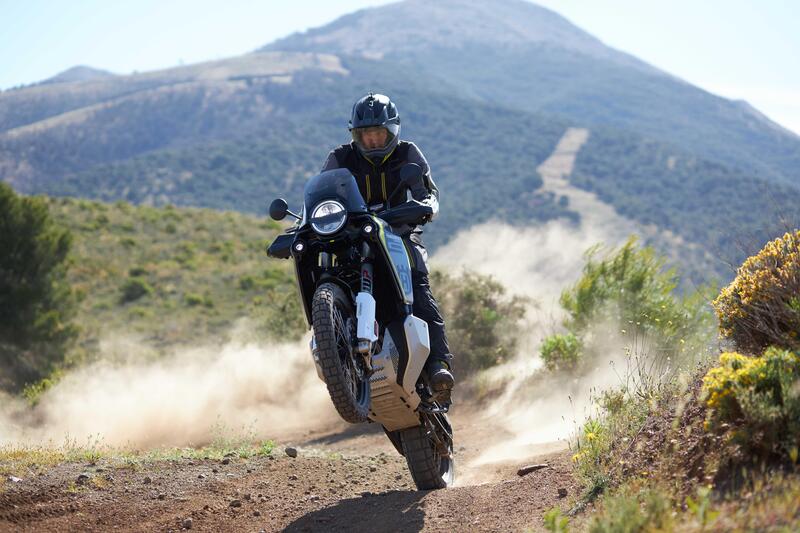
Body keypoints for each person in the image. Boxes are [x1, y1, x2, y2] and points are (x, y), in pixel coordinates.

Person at [321, 93, 455, 396]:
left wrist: (426, 205)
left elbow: (427, 192)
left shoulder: (408, 153)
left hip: (399, 233)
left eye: (378, 133)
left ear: (392, 131)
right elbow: (322, 194)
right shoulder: (340, 158)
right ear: (355, 135)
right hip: (354, 238)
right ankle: (335, 346)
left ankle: (438, 364)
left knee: (418, 283)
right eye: (365, 135)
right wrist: (305, 222)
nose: (372, 140)